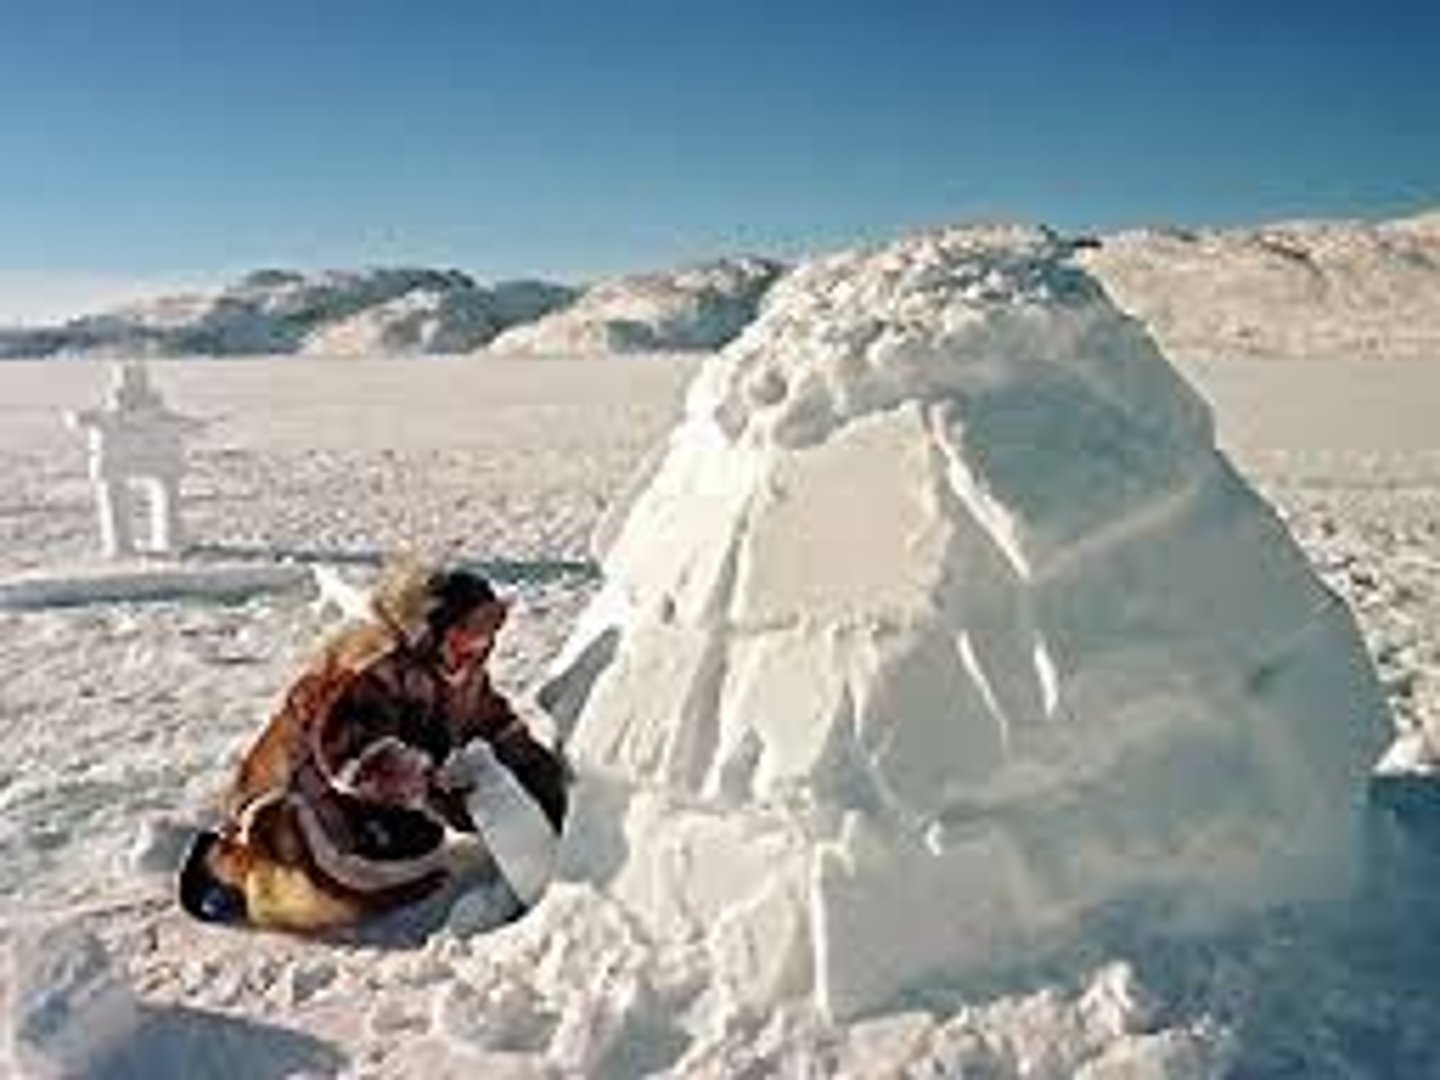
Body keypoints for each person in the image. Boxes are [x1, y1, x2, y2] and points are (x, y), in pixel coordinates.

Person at [179, 560, 568, 933]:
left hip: (367, 798)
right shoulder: (374, 666)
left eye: (491, 627)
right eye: (470, 629)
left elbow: (491, 723)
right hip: (300, 791)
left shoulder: (459, 673)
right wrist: (430, 786)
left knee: (418, 855)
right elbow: (353, 756)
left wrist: (541, 775)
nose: (482, 642)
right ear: (435, 628)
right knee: (338, 882)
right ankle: (232, 871)